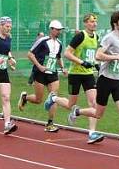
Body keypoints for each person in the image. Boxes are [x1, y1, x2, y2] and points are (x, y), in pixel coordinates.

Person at [67, 11, 119, 155]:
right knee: (98, 114)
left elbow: (118, 57)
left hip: (118, 80)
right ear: (115, 23)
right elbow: (98, 55)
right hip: (105, 80)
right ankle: (77, 111)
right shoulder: (109, 37)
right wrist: (118, 57)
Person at [44, 13, 104, 143]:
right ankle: (53, 98)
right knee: (71, 104)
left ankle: (92, 133)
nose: (95, 24)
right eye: (92, 21)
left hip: (88, 74)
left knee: (94, 103)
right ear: (86, 23)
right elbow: (66, 53)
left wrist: (97, 65)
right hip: (75, 74)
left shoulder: (96, 37)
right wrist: (81, 62)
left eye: (96, 21)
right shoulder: (80, 36)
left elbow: (92, 55)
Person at [19, 20, 67, 132]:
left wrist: (62, 68)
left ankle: (50, 123)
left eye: (60, 30)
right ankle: (25, 98)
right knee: (38, 99)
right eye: (57, 29)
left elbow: (59, 58)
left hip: (52, 73)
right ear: (51, 29)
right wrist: (39, 66)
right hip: (40, 73)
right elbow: (30, 54)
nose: (59, 31)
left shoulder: (59, 43)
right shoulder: (42, 41)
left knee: (53, 98)